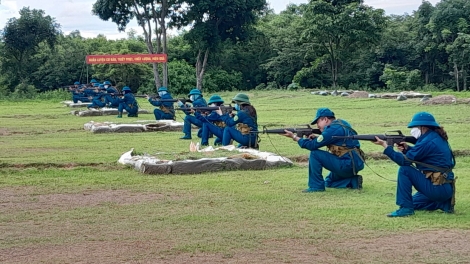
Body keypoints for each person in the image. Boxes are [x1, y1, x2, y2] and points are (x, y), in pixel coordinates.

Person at [372, 112, 456, 217]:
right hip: (444, 187)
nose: (413, 130)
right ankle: (441, 202)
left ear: (423, 127)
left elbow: (404, 161)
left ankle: (405, 209)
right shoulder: (433, 137)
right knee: (414, 203)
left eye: (415, 127)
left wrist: (386, 147)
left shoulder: (427, 141)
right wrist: (407, 148)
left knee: (405, 169)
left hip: (437, 186)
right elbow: (424, 156)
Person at [281, 108, 364, 193]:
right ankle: (353, 181)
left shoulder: (332, 130)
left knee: (315, 154)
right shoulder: (342, 123)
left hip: (346, 164)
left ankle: (316, 187)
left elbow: (312, 145)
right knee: (328, 182)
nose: (317, 125)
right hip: (354, 164)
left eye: (318, 122)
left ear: (325, 119)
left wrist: (294, 137)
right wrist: (316, 138)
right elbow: (334, 141)